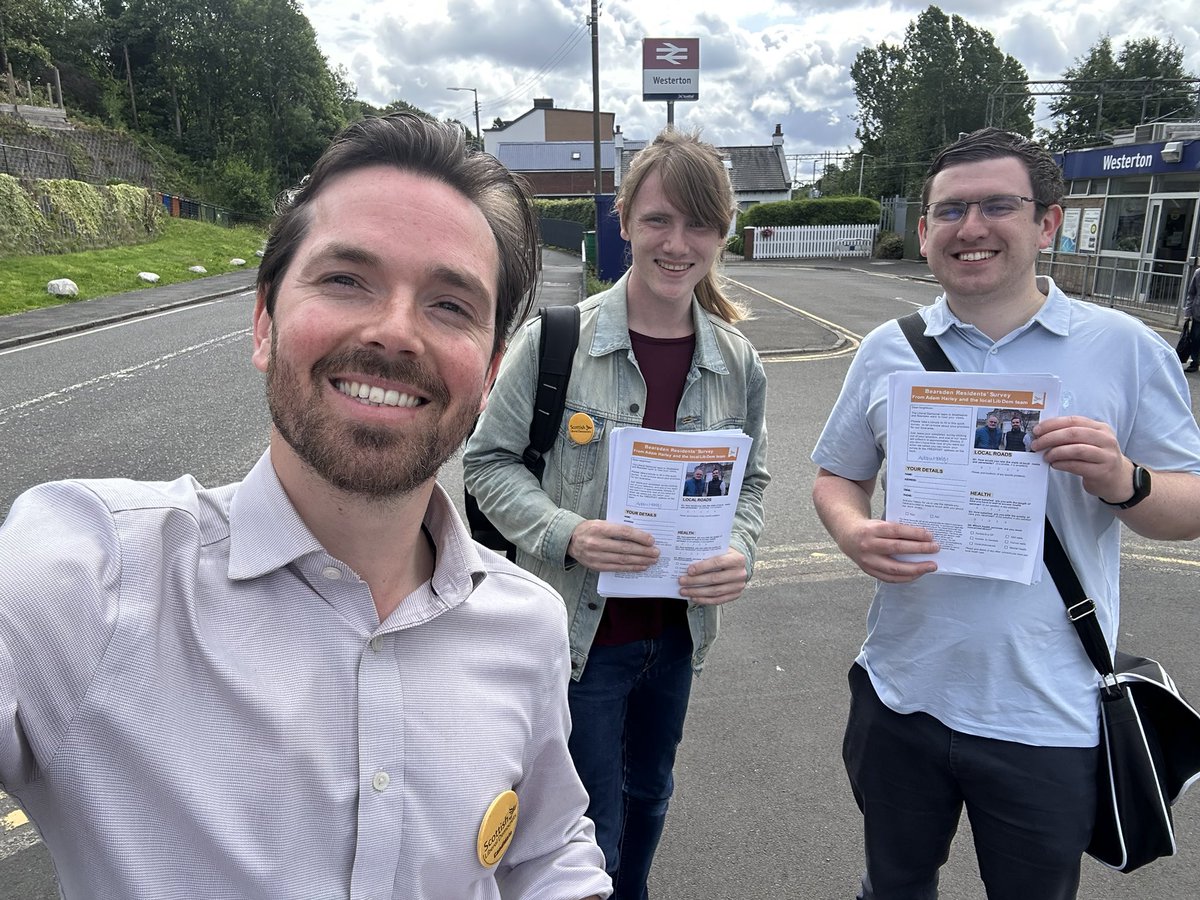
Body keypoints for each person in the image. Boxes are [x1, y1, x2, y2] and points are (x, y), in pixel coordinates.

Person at [0, 114, 611, 900]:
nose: (395, 332)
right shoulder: (88, 581)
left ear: (490, 373)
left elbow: (545, 847)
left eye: (450, 304)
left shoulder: (528, 626)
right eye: (346, 279)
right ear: (264, 322)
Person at [810, 127, 1200, 900]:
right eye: (950, 210)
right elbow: (837, 476)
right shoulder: (888, 350)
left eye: (997, 206)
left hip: (1045, 714)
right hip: (903, 693)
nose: (972, 227)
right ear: (926, 231)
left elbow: (1189, 505)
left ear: (1046, 222)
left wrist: (1123, 480)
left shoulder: (1124, 348)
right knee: (892, 888)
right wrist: (853, 530)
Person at [464, 127, 769, 899]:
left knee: (650, 795)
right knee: (584, 821)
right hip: (578, 639)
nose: (678, 243)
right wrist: (568, 533)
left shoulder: (737, 362)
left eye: (699, 224)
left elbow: (751, 484)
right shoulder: (557, 342)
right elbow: (486, 463)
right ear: (625, 219)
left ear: (723, 233)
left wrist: (739, 550)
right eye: (659, 219)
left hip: (676, 636)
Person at [1183, 266, 1200, 372]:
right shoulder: (1198, 273)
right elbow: (1191, 293)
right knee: (1195, 339)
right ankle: (1195, 362)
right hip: (1197, 313)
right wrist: (1188, 312)